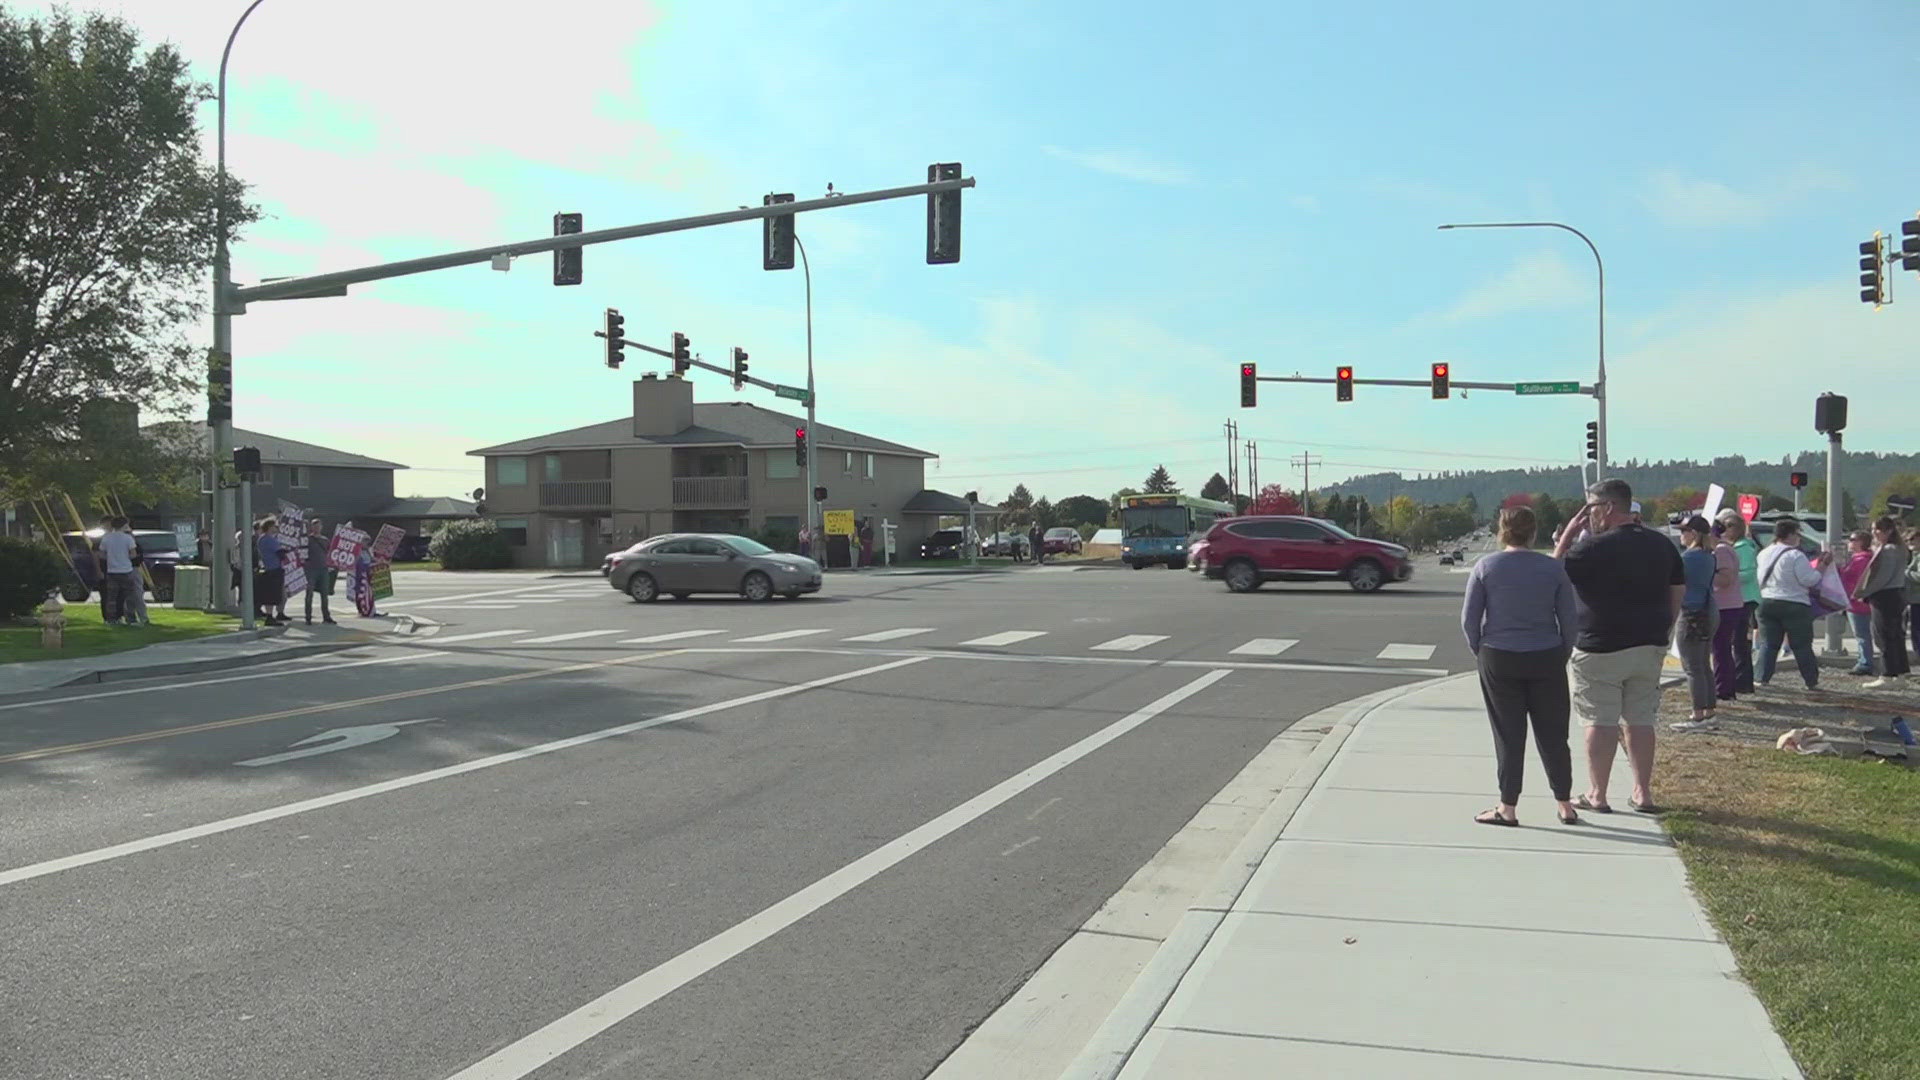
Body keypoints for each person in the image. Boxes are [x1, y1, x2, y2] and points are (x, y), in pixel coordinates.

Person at [1553, 478, 1685, 815]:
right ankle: (1643, 792)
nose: (1588, 515)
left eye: (1591, 508)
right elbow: (1677, 589)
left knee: (1599, 719)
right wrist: (1665, 627)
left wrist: (1568, 534)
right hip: (1649, 642)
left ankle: (1598, 793)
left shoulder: (1591, 549)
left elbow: (1553, 574)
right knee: (1641, 719)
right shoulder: (1662, 545)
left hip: (1600, 645)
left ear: (1609, 507)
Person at [1461, 505, 1580, 827]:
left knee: (1509, 734)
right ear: (1533, 531)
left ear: (1501, 530)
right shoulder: (1552, 569)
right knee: (1554, 733)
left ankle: (1508, 806)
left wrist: (1480, 650)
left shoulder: (1486, 566)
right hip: (1546, 654)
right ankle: (1564, 803)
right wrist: (1562, 652)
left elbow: (1470, 620)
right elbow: (1569, 619)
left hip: (1499, 655)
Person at [1754, 517, 1821, 690]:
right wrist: (1820, 569)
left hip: (1766, 600)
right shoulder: (1795, 555)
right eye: (1797, 534)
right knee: (1801, 645)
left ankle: (1761, 677)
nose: (1799, 538)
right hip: (1794, 603)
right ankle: (1810, 680)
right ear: (1790, 535)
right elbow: (1808, 580)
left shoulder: (1764, 553)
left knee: (1769, 644)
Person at [1672, 517, 1723, 731]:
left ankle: (1697, 716)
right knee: (1703, 665)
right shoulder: (1709, 557)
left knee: (1692, 668)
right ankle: (1709, 711)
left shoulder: (1688, 558)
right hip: (1709, 610)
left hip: (1691, 614)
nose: (1681, 535)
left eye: (1684, 531)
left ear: (1693, 533)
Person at [1855, 516, 1910, 689]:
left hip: (1884, 595)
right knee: (1895, 635)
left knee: (1883, 635)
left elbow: (1882, 578)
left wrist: (1864, 592)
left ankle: (1887, 674)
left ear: (1888, 531)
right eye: (1872, 530)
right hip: (1896, 594)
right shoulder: (1900, 548)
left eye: (1877, 530)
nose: (1874, 534)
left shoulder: (1888, 550)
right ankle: (1900, 673)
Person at [1718, 511, 1761, 693]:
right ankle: (1740, 679)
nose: (1725, 531)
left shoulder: (1744, 548)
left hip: (1745, 598)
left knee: (1740, 642)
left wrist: (1728, 575)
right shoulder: (1736, 547)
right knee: (1738, 641)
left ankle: (1742, 680)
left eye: (1728, 526)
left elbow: (1748, 573)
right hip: (1740, 598)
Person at [1707, 519, 1745, 702]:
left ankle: (1723, 689)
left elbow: (1725, 579)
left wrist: (1706, 572)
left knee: (1720, 648)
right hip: (1730, 604)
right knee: (1722, 648)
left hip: (1725, 605)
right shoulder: (1726, 549)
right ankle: (1725, 687)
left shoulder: (1721, 551)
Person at [1836, 530, 1877, 677]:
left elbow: (1853, 579)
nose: (1849, 542)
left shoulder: (1861, 560)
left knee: (1862, 634)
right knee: (1864, 634)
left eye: (1853, 539)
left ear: (1861, 542)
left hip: (1857, 602)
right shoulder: (1863, 558)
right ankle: (1864, 660)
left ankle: (1865, 663)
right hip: (1860, 602)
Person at [94, 516, 141, 627]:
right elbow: (133, 554)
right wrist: (125, 557)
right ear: (123, 525)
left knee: (112, 597)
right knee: (129, 596)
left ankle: (111, 619)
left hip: (112, 571)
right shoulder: (128, 538)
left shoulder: (107, 538)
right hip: (126, 570)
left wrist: (111, 558)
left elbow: (101, 554)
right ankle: (131, 619)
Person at [304, 518, 336, 625]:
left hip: (323, 569)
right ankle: (308, 617)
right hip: (310, 570)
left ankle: (326, 616)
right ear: (311, 527)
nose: (316, 528)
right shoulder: (307, 539)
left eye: (318, 525)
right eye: (314, 525)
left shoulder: (325, 540)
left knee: (324, 594)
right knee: (309, 594)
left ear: (321, 527)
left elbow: (330, 553)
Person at [255, 517, 285, 626]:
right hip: (274, 568)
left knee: (269, 595)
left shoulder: (261, 539)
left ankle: (269, 616)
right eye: (274, 526)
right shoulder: (269, 539)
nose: (276, 528)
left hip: (267, 568)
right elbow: (280, 554)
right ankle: (269, 617)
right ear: (269, 527)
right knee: (273, 594)